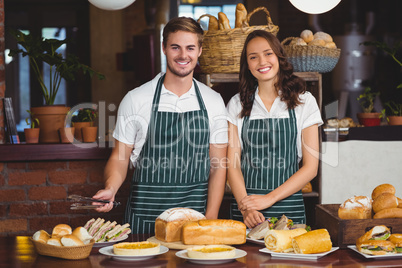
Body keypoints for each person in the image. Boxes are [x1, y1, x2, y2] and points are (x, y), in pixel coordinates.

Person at [92, 17, 228, 234]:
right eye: (176, 47)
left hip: (194, 223)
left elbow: (218, 166)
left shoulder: (213, 101)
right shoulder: (136, 99)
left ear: (200, 51)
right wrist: (110, 188)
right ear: (164, 48)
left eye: (190, 48)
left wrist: (210, 218)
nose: (183, 55)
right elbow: (120, 157)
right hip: (145, 221)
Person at [226, 30, 323, 228]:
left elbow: (311, 168)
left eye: (268, 53)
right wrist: (247, 208)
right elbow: (232, 164)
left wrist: (269, 198)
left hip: (290, 209)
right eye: (253, 57)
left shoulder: (304, 101)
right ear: (248, 65)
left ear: (279, 57)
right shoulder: (237, 104)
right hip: (247, 209)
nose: (262, 61)